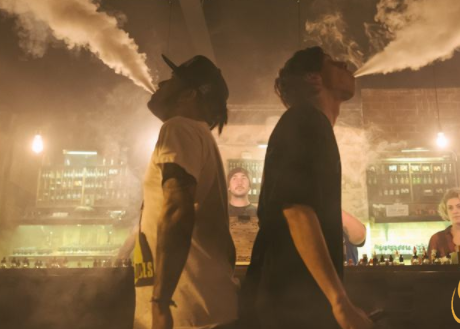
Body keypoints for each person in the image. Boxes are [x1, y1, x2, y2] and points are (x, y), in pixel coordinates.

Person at [243, 47, 373, 329]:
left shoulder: (312, 123)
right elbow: (296, 210)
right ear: (314, 78)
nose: (345, 64)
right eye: (333, 62)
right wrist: (340, 302)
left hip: (295, 303)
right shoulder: (305, 120)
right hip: (289, 306)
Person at [133, 55, 238, 329]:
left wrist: (160, 302)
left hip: (186, 314)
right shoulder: (198, 134)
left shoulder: (178, 127)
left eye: (172, 79)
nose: (160, 83)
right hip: (205, 310)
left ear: (189, 94)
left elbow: (177, 209)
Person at [427, 189, 460, 257]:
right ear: (446, 211)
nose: (455, 211)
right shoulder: (437, 239)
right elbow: (430, 263)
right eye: (450, 208)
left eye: (459, 206)